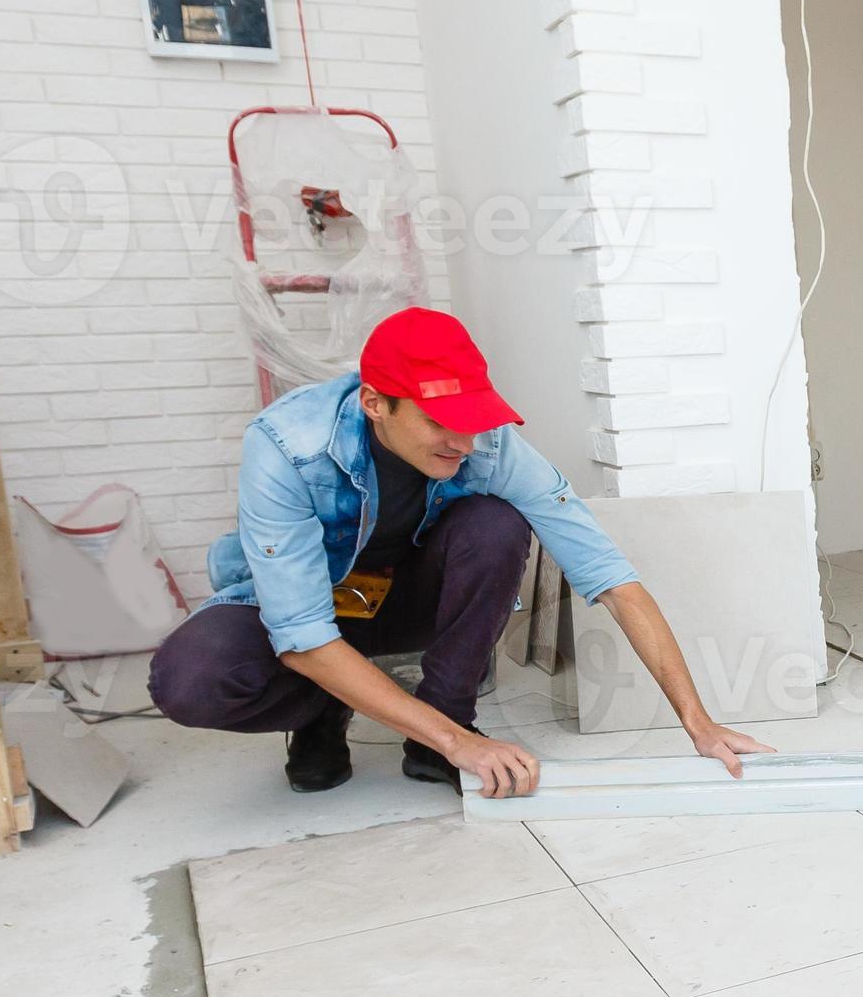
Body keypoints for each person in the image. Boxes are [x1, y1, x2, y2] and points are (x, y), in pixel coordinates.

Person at [149, 307, 772, 798]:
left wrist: (699, 722)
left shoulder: (490, 447)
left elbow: (613, 580)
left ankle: (436, 729)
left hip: (402, 601)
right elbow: (303, 634)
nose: (464, 442)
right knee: (189, 679)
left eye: (471, 418)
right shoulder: (288, 447)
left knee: (496, 523)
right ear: (375, 404)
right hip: (310, 617)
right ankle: (327, 711)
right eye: (440, 421)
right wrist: (464, 749)